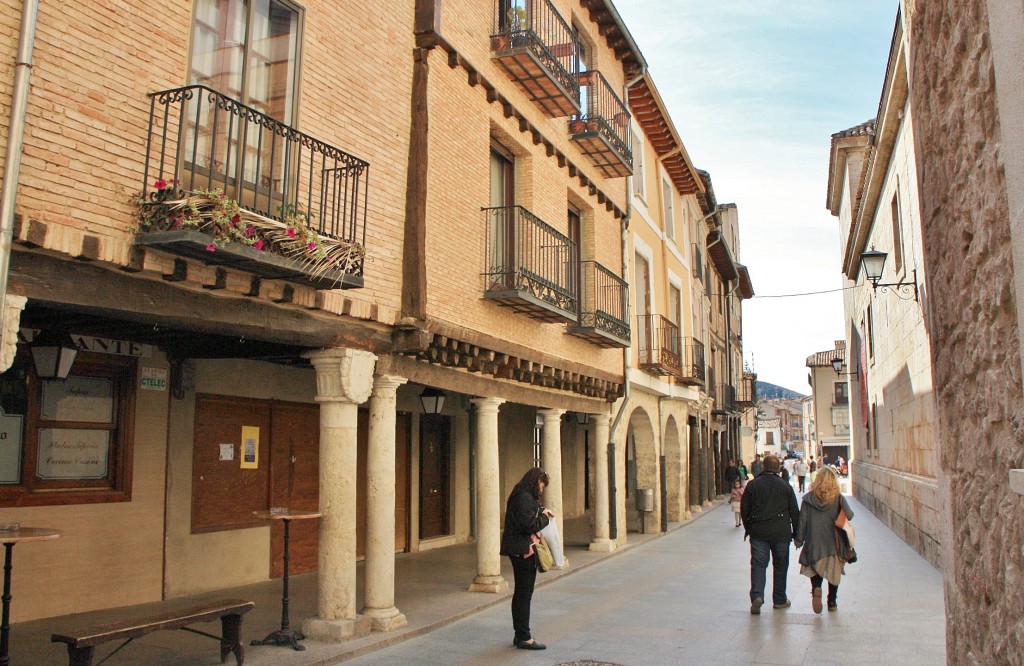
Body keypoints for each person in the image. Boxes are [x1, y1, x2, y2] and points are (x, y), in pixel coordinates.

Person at [499, 467, 553, 650]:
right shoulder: (523, 497)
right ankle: (524, 637)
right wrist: (545, 518)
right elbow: (528, 525)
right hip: (523, 550)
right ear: (534, 481)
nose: (541, 490)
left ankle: (520, 634)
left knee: (522, 593)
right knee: (524, 593)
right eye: (541, 485)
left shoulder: (522, 495)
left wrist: (541, 511)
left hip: (520, 549)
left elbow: (528, 515)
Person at [741, 455, 800, 615]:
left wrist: (749, 528)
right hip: (781, 532)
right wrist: (797, 534)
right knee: (780, 566)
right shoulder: (785, 486)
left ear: (763, 467)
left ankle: (757, 596)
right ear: (778, 468)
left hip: (759, 531)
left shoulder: (753, 485)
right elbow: (794, 512)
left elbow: (744, 509)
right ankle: (779, 599)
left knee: (758, 565)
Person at [795, 466, 854, 613]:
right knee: (833, 572)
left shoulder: (808, 499)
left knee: (814, 569)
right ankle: (832, 601)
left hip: (814, 542)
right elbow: (850, 515)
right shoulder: (838, 498)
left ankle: (816, 588)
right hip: (834, 543)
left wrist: (799, 540)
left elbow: (802, 522)